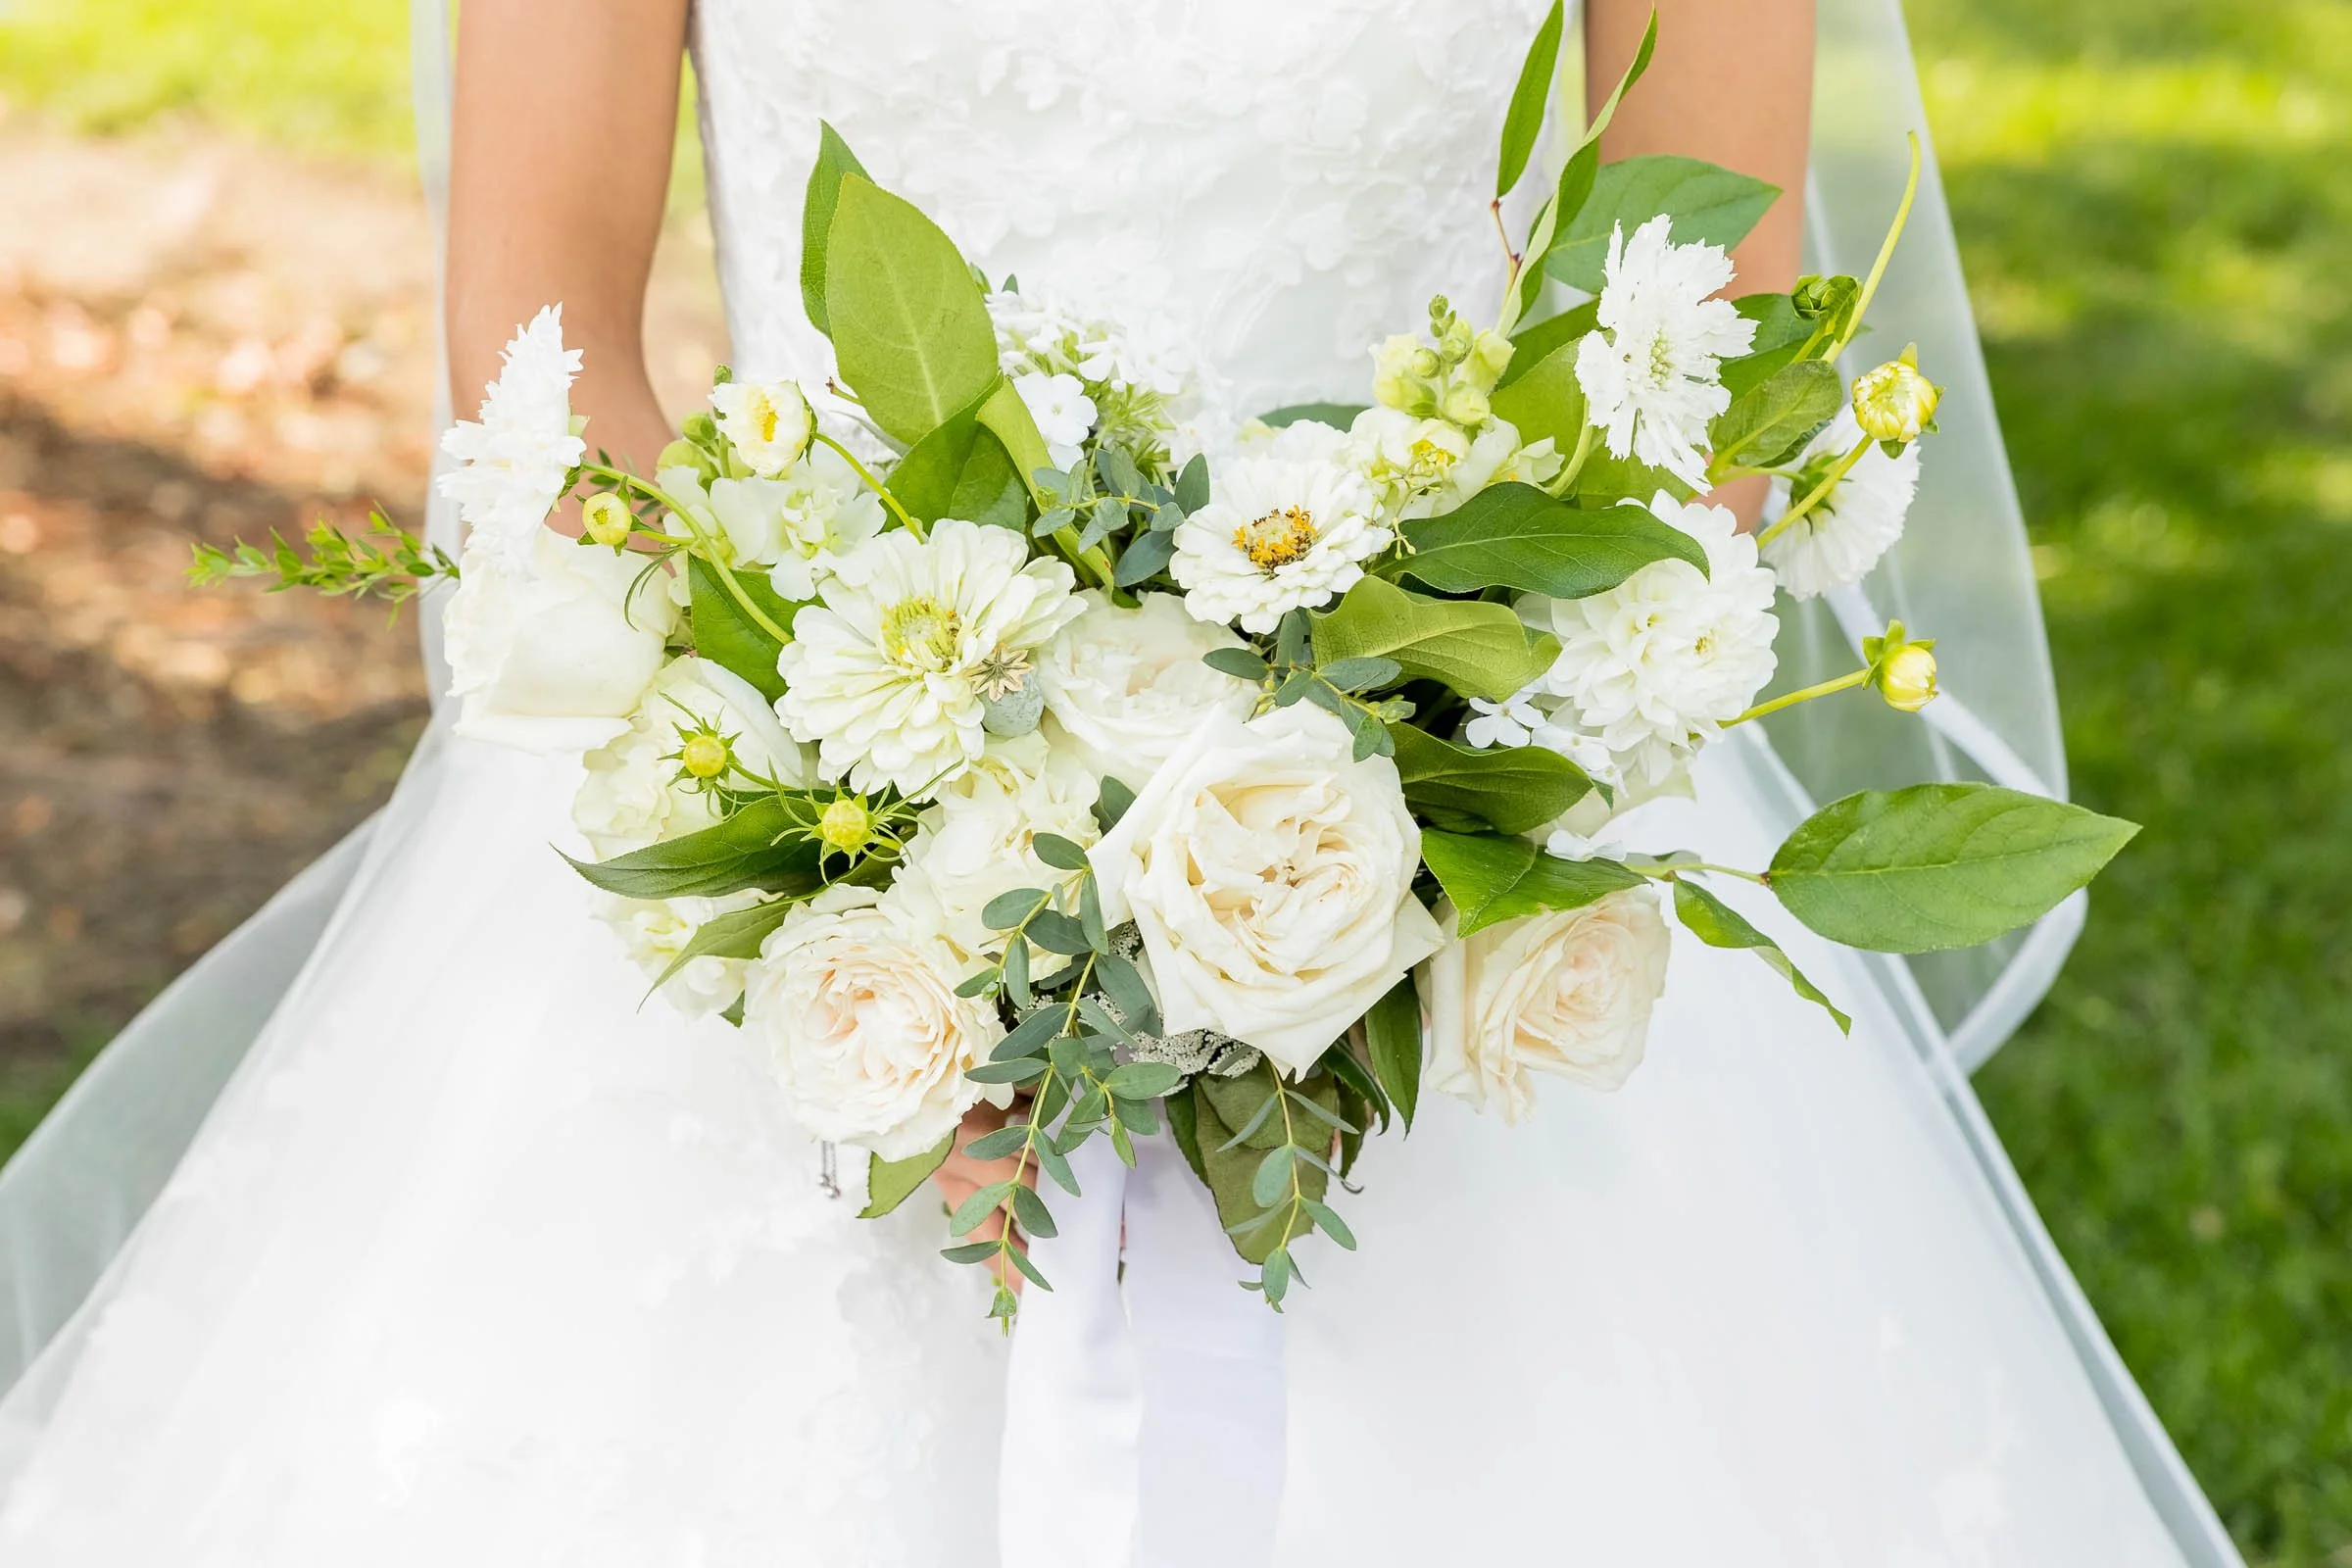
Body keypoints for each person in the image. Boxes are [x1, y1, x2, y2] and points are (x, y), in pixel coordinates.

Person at [0, 1, 2244, 1562]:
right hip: (826, 764)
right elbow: (552, 348)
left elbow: (1738, 335)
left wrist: (1397, 801)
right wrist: (889, 851)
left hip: (1455, 790)